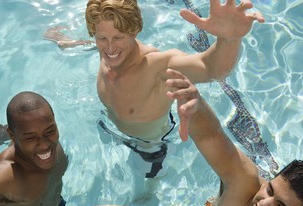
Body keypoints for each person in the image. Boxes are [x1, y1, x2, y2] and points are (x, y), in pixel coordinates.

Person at [44, 0, 265, 178]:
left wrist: (229, 38)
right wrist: (66, 42)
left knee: (145, 187)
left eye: (119, 38)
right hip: (110, 125)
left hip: (149, 149)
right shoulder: (107, 52)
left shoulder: (157, 66)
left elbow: (211, 69)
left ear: (134, 30)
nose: (110, 48)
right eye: (102, 38)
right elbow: (96, 46)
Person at [166, 68, 303, 206]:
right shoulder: (242, 182)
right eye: (270, 189)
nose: (263, 204)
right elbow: (211, 136)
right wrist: (196, 105)